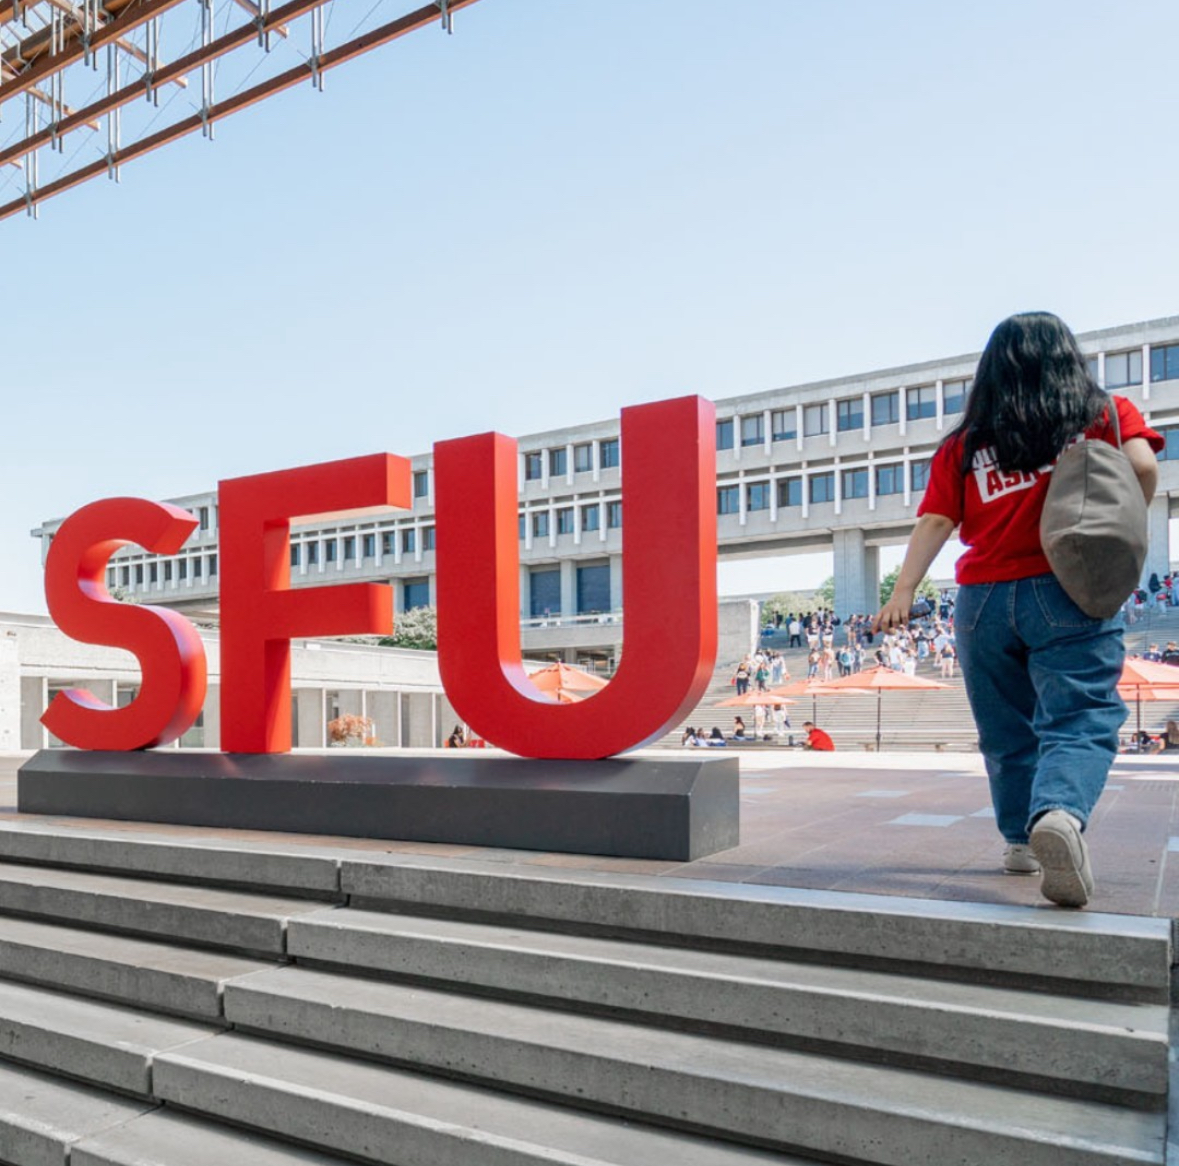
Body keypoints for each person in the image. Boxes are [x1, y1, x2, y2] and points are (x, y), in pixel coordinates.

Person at [874, 312, 1161, 908]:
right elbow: (1143, 467)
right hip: (1069, 587)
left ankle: (1020, 843)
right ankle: (1058, 813)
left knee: (1005, 731)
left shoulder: (967, 441)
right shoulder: (1104, 415)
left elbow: (935, 520)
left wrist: (901, 592)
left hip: (982, 600)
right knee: (1081, 716)